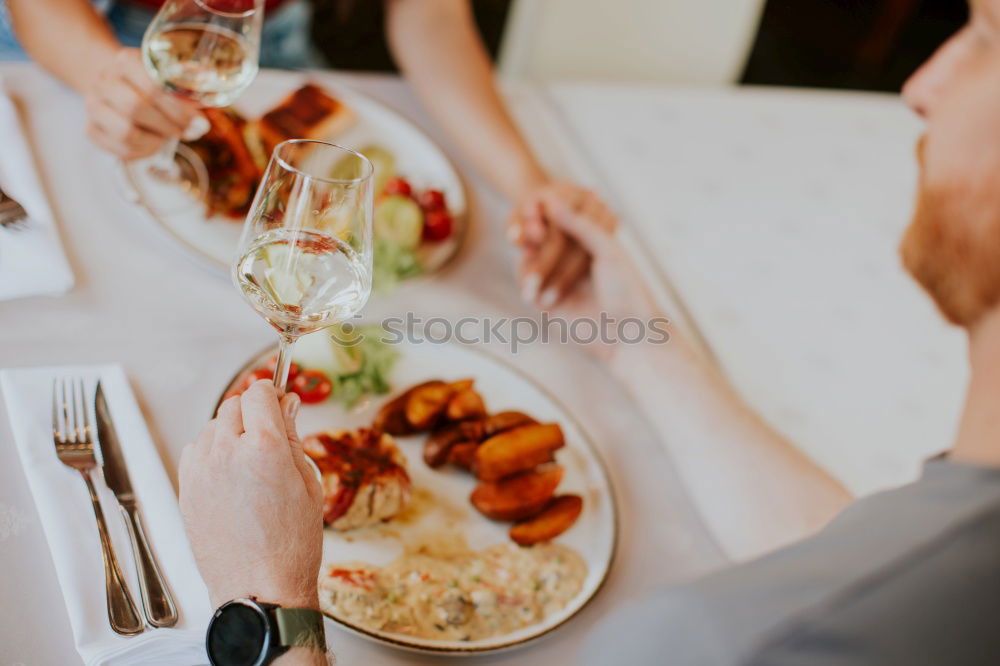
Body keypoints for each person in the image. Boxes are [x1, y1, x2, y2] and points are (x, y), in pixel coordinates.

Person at [180, 0, 1000, 663]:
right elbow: (845, 554)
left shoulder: (714, 640)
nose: (922, 83)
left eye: (984, 38)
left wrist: (267, 604)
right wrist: (640, 348)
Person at [2, 0, 594, 307]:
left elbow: (431, 16)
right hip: (80, 41)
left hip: (273, 40)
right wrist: (102, 75)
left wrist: (527, 184)